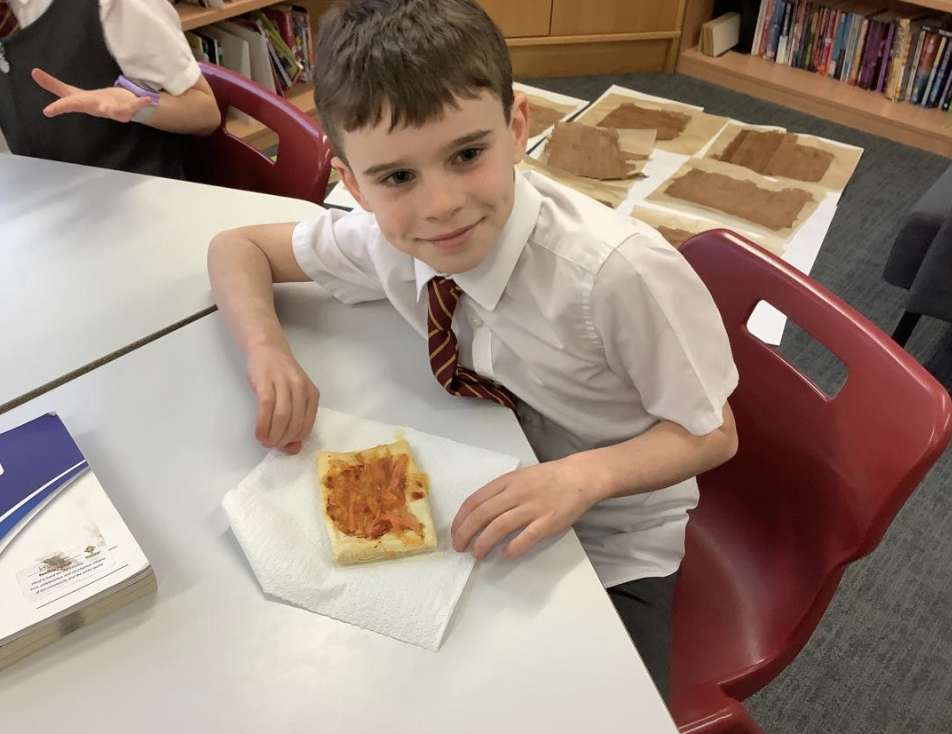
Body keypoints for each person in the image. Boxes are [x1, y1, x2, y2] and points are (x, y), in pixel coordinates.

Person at [207, 0, 739, 703]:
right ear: (354, 184)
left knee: (574, 709)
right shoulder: (386, 239)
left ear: (517, 129)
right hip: (481, 472)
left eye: (467, 154)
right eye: (397, 177)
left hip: (612, 533)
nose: (442, 205)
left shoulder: (616, 274)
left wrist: (582, 479)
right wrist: (266, 349)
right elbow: (236, 248)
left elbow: (713, 433)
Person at [0, 0, 221, 179]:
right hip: (37, 196)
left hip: (132, 199)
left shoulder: (118, 5)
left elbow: (206, 113)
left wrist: (138, 105)